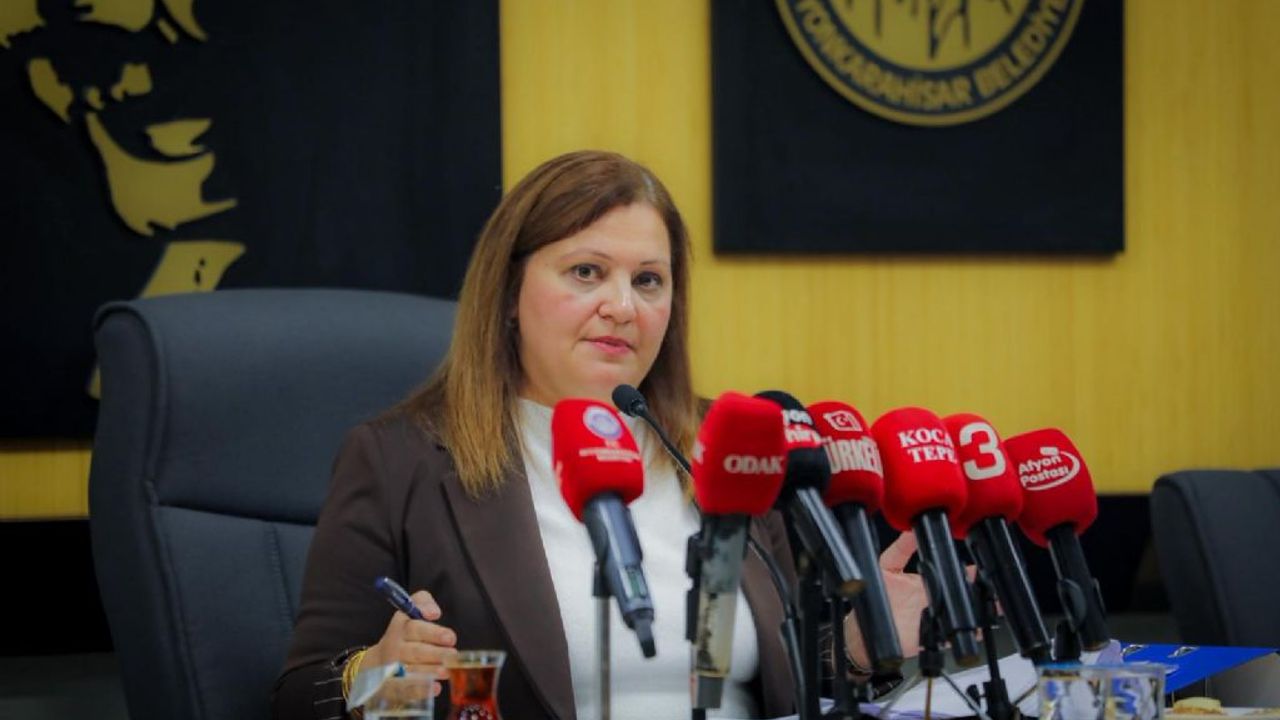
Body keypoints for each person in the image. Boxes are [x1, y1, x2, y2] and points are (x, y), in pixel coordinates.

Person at [272, 150, 925, 720]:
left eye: (648, 280)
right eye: (587, 272)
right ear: (508, 292)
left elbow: (789, 678)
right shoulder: (399, 459)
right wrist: (376, 677)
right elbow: (300, 698)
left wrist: (858, 646)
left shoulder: (728, 446)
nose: (623, 306)